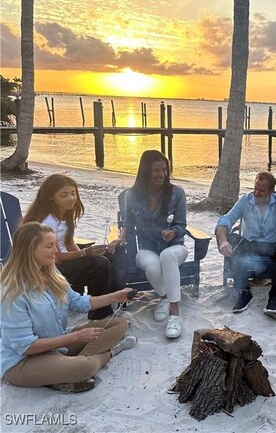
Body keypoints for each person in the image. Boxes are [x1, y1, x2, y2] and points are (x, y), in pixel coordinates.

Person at [1, 222, 137, 393]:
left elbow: (77, 303)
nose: (56, 251)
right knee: (84, 367)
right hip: (22, 361)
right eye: (49, 246)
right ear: (29, 250)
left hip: (56, 346)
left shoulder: (51, 273)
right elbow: (26, 347)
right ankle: (108, 354)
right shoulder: (12, 292)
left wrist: (116, 296)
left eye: (55, 245)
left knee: (119, 324)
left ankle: (64, 369)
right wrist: (75, 337)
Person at [22, 173, 125, 321]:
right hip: (52, 269)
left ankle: (114, 299)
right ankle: (100, 314)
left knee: (114, 252)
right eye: (64, 195)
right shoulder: (47, 222)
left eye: (73, 193)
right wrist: (85, 254)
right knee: (100, 264)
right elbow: (55, 257)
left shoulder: (64, 214)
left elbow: (69, 243)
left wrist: (86, 255)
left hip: (66, 262)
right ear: (51, 197)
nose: (71, 198)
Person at [108, 150, 188, 339]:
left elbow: (181, 225)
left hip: (175, 247)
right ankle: (165, 297)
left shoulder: (177, 193)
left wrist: (173, 232)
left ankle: (174, 315)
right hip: (147, 247)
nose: (162, 175)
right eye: (156, 171)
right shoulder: (132, 196)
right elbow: (127, 223)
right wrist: (121, 237)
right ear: (145, 172)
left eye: (164, 170)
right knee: (151, 264)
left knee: (167, 256)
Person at [216, 171, 276, 319]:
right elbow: (225, 221)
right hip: (250, 244)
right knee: (231, 238)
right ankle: (244, 292)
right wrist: (223, 241)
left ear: (271, 192)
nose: (256, 193)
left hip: (273, 246)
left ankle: (275, 298)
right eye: (255, 188)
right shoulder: (245, 200)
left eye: (261, 191)